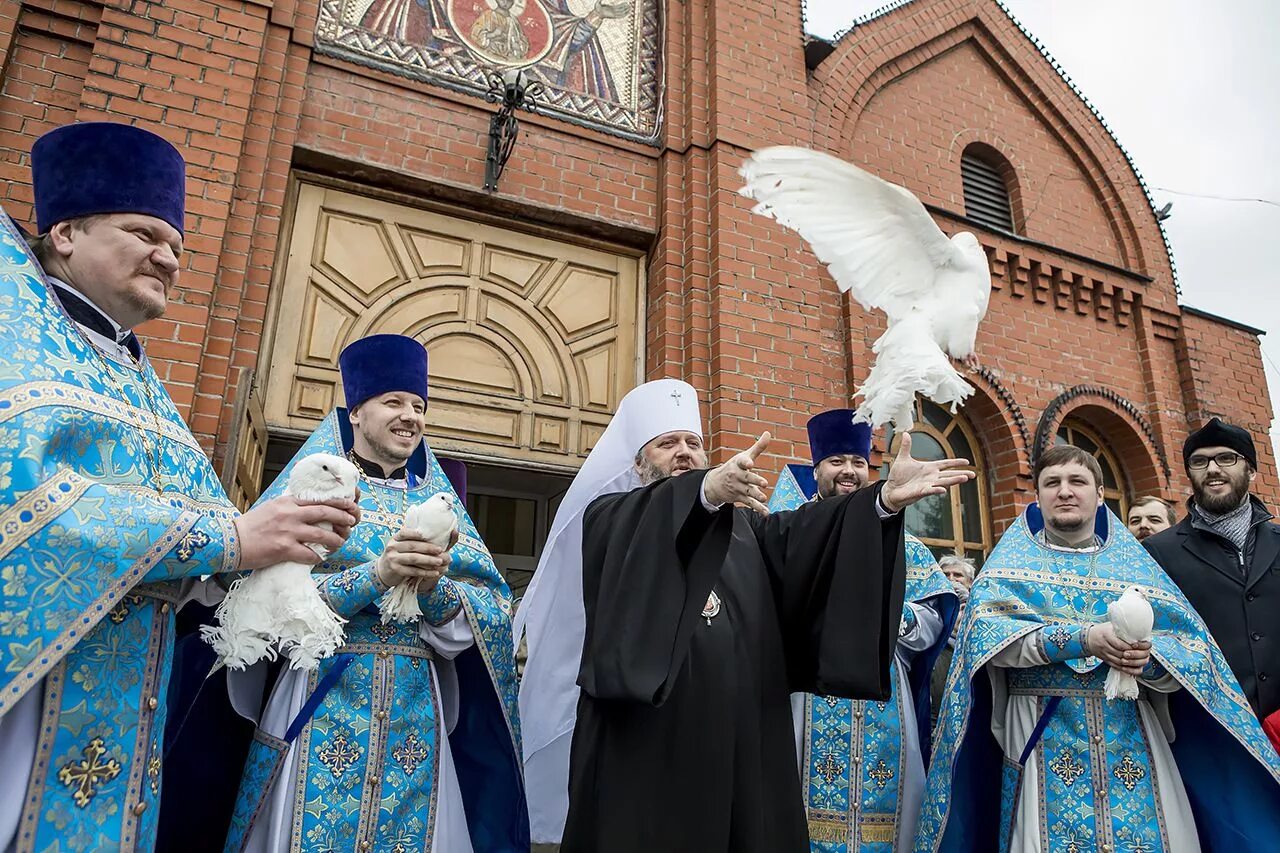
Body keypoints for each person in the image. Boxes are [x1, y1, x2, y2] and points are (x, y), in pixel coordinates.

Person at [0, 122, 357, 852]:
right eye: (146, 233)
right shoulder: (16, 344)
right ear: (65, 232)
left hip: (128, 712)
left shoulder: (138, 377)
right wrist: (231, 537)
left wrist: (269, 560)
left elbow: (208, 554)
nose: (168, 257)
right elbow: (25, 504)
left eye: (176, 245)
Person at [516, 380, 974, 853]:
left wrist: (880, 502)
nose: (684, 453)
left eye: (693, 443)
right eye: (666, 443)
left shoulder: (745, 526)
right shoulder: (611, 518)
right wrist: (705, 493)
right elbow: (653, 522)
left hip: (745, 740)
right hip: (648, 749)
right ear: (638, 461)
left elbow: (805, 541)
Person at [223, 334, 527, 852]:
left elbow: (492, 611)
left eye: (419, 406)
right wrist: (375, 576)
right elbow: (265, 602)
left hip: (416, 709)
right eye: (394, 402)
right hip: (319, 693)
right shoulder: (309, 492)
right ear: (357, 412)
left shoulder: (440, 502)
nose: (410, 416)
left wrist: (432, 589)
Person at [916, 444, 1280, 852]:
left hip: (1132, 734)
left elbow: (1192, 653)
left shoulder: (1139, 569)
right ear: (1037, 495)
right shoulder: (1006, 568)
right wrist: (1082, 639)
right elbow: (986, 639)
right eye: (1052, 483)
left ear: (1099, 492)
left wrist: (1148, 660)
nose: (1065, 491)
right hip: (1040, 732)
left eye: (1077, 481)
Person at [769, 410, 958, 853]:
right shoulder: (792, 533)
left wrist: (885, 622)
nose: (849, 472)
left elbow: (933, 614)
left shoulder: (903, 541)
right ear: (816, 468)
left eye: (857, 462)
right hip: (804, 700)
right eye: (836, 461)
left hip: (884, 697)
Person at [1145, 418, 1280, 723]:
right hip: (1213, 732)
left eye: (1227, 458)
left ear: (1252, 471)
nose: (1213, 469)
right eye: (1199, 461)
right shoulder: (1159, 552)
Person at [930, 555, 974, 725]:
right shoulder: (929, 608)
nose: (951, 579)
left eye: (957, 575)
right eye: (945, 574)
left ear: (970, 582)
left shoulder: (978, 609)